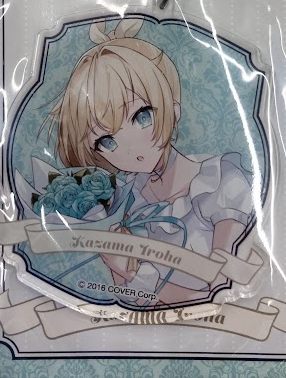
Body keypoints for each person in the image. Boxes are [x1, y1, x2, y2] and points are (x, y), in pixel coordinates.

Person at [44, 17, 255, 307]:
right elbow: (132, 302)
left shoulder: (220, 183)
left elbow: (223, 297)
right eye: (107, 141)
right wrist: (122, 268)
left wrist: (130, 272)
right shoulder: (124, 203)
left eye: (142, 116)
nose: (132, 149)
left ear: (173, 108)